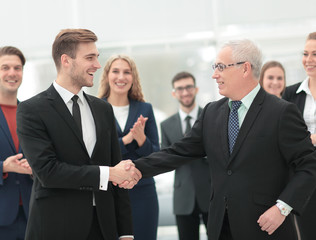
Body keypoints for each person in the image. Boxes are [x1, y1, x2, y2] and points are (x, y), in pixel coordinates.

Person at [119, 39, 316, 240]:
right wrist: (136, 168)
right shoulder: (212, 112)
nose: (215, 74)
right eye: (215, 67)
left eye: (220, 67)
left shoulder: (281, 112)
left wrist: (282, 208)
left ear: (245, 68)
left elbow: (309, 166)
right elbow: (177, 152)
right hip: (220, 226)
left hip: (265, 227)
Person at [16, 29, 140, 240]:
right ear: (66, 60)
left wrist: (126, 232)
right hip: (56, 228)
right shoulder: (32, 110)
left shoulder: (103, 109)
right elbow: (48, 172)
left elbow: (116, 166)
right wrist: (108, 174)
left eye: (97, 57)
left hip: (104, 228)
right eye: (89, 58)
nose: (97, 65)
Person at [98, 54, 159, 240]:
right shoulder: (96, 109)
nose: (121, 77)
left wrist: (141, 140)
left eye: (127, 72)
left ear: (133, 78)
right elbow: (96, 154)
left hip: (142, 192)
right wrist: (126, 140)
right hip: (109, 193)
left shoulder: (145, 109)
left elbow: (156, 155)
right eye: (115, 71)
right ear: (107, 76)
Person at [160, 71, 211, 240]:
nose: (185, 92)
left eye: (189, 87)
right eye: (180, 89)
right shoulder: (166, 125)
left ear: (196, 89)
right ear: (174, 93)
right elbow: (167, 158)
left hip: (211, 193)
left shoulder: (211, 117)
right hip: (183, 197)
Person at [283, 31, 316, 240]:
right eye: (305, 53)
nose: (309, 60)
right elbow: (287, 136)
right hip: (304, 177)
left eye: (315, 54)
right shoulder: (290, 94)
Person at [0, 46, 32, 240]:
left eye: (17, 68)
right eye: (5, 67)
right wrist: (4, 166)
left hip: (32, 214)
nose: (12, 73)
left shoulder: (31, 115)